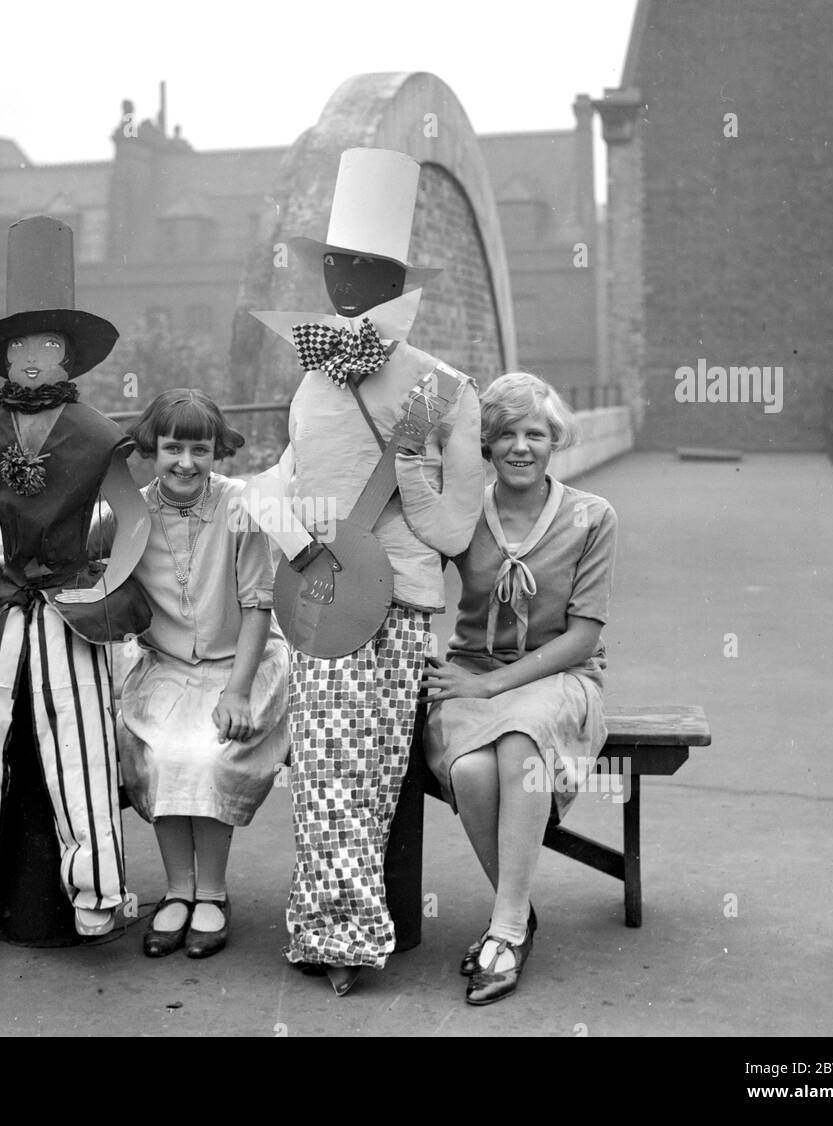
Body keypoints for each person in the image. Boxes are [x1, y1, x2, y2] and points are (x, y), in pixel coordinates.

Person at [248, 148, 484, 995]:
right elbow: (288, 476)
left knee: (368, 769)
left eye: (366, 266)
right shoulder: (311, 379)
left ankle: (346, 939)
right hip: (320, 593)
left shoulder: (443, 388)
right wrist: (290, 529)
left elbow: (456, 524)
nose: (347, 278)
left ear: (395, 279)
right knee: (317, 768)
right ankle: (327, 931)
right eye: (336, 264)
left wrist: (409, 484)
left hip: (397, 601)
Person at [0, 216, 150, 940]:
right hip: (7, 601)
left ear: (69, 355)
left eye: (47, 344)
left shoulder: (96, 432)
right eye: (20, 344)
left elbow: (135, 517)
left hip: (71, 606)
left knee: (81, 738)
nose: (32, 358)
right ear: (2, 355)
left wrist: (99, 582)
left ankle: (96, 892)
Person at [421, 371, 618, 1005]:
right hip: (471, 673)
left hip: (557, 678)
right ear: (485, 444)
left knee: (518, 740)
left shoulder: (592, 516)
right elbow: (408, 580)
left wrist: (496, 686)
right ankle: (518, 914)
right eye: (505, 434)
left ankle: (504, 930)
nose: (520, 447)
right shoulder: (460, 513)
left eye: (535, 433)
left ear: (554, 439)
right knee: (473, 773)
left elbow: (583, 637)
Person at [111, 389, 290, 959]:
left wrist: (238, 692)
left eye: (200, 449)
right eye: (172, 448)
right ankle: (176, 891)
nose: (185, 462)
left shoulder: (243, 506)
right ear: (151, 450)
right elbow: (78, 565)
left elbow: (260, 603)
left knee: (210, 751)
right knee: (163, 751)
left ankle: (212, 892)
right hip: (166, 666)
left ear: (217, 453)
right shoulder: (129, 512)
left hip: (242, 662)